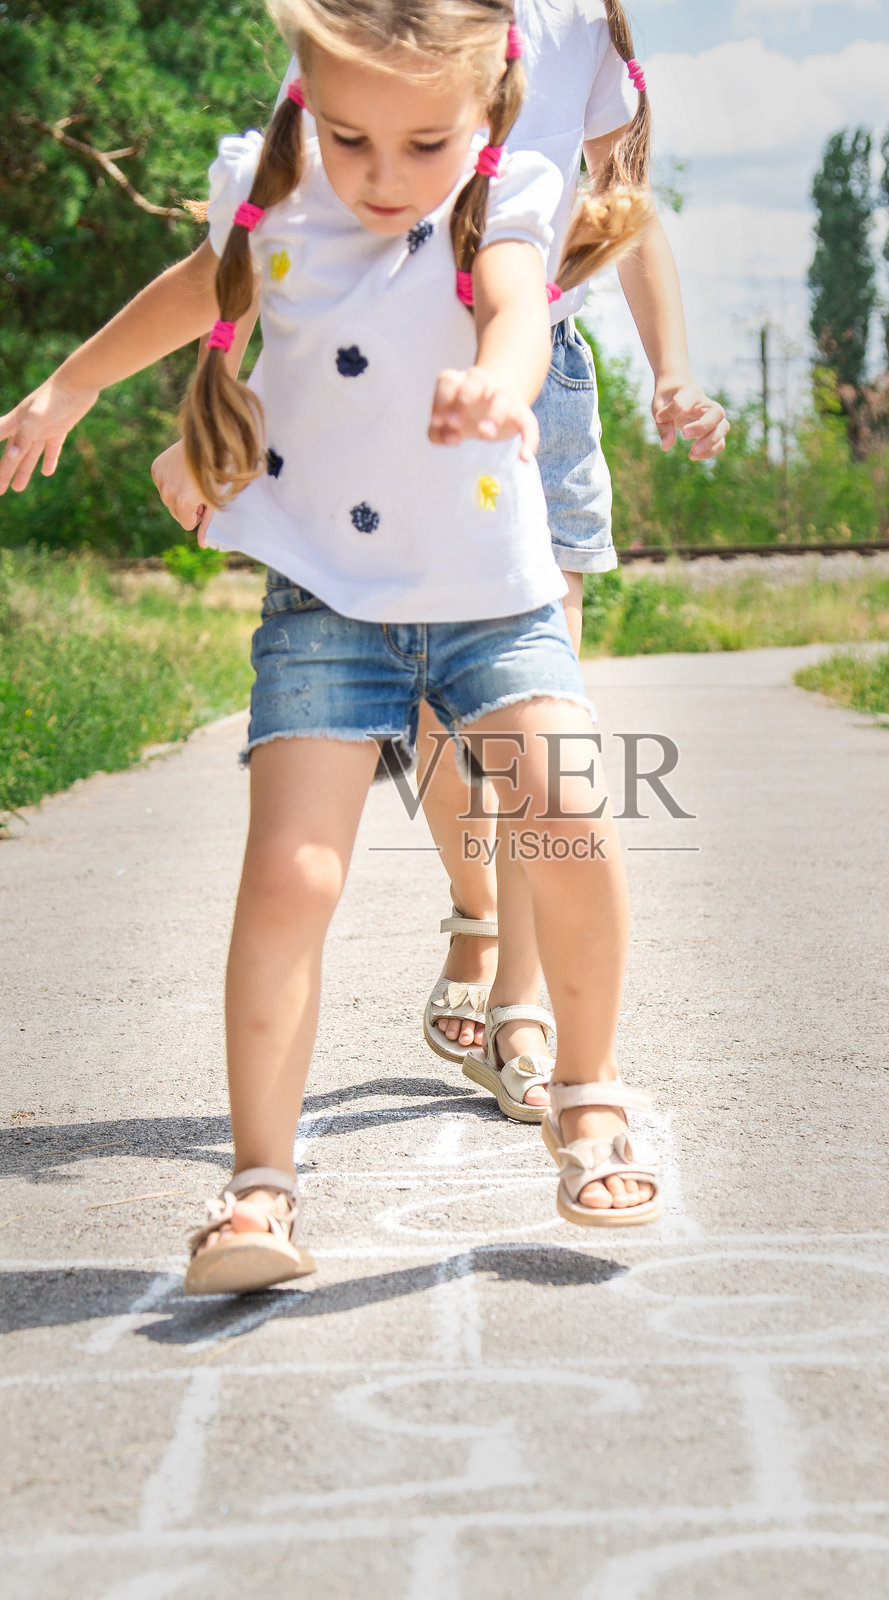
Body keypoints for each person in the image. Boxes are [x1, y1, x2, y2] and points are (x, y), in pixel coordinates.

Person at [0, 0, 665, 1292]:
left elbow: (520, 309)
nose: (379, 176)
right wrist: (71, 384)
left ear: (484, 102)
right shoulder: (273, 193)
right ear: (302, 87)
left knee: (568, 818)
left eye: (423, 144)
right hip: (322, 604)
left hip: (489, 596)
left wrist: (501, 383)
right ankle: (258, 1186)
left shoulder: (506, 190)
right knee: (291, 875)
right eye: (349, 136)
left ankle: (585, 1094)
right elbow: (198, 292)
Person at [150, 0, 730, 1120]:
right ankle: (476, 912)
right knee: (430, 724)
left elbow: (622, 208)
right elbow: (278, 238)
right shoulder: (373, 21)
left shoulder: (573, 24)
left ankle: (523, 1004)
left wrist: (671, 373)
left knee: (530, 719)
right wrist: (233, 409)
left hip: (527, 382)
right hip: (392, 389)